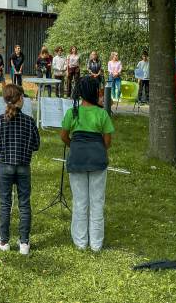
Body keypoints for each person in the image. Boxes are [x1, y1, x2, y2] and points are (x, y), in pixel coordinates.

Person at [61, 77, 114, 252]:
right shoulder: (102, 113)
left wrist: (75, 146)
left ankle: (80, 242)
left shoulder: (72, 112)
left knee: (80, 202)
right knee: (97, 202)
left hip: (77, 159)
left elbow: (64, 136)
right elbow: (107, 142)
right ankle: (96, 244)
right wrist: (96, 148)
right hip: (98, 160)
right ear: (94, 92)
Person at [0, 84, 40, 255]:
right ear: (20, 99)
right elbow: (36, 145)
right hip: (24, 166)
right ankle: (24, 243)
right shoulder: (29, 121)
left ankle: (4, 241)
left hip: (4, 166)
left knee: (5, 204)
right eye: (23, 96)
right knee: (24, 204)